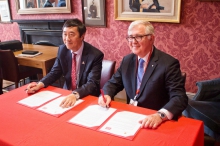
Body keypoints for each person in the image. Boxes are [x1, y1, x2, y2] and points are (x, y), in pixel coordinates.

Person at [98, 20, 188, 129]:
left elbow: (179, 97)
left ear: (152, 39)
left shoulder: (168, 64)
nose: (133, 41)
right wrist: (106, 94)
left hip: (154, 119)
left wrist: (160, 115)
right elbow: (114, 83)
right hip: (131, 116)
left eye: (138, 37)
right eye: (130, 37)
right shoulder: (127, 60)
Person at [26, 18, 104, 108]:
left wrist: (75, 95)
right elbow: (54, 72)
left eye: (71, 35)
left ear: (82, 36)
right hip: (67, 93)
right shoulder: (62, 50)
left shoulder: (95, 55)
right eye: (65, 34)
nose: (67, 39)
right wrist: (39, 84)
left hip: (86, 95)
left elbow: (92, 83)